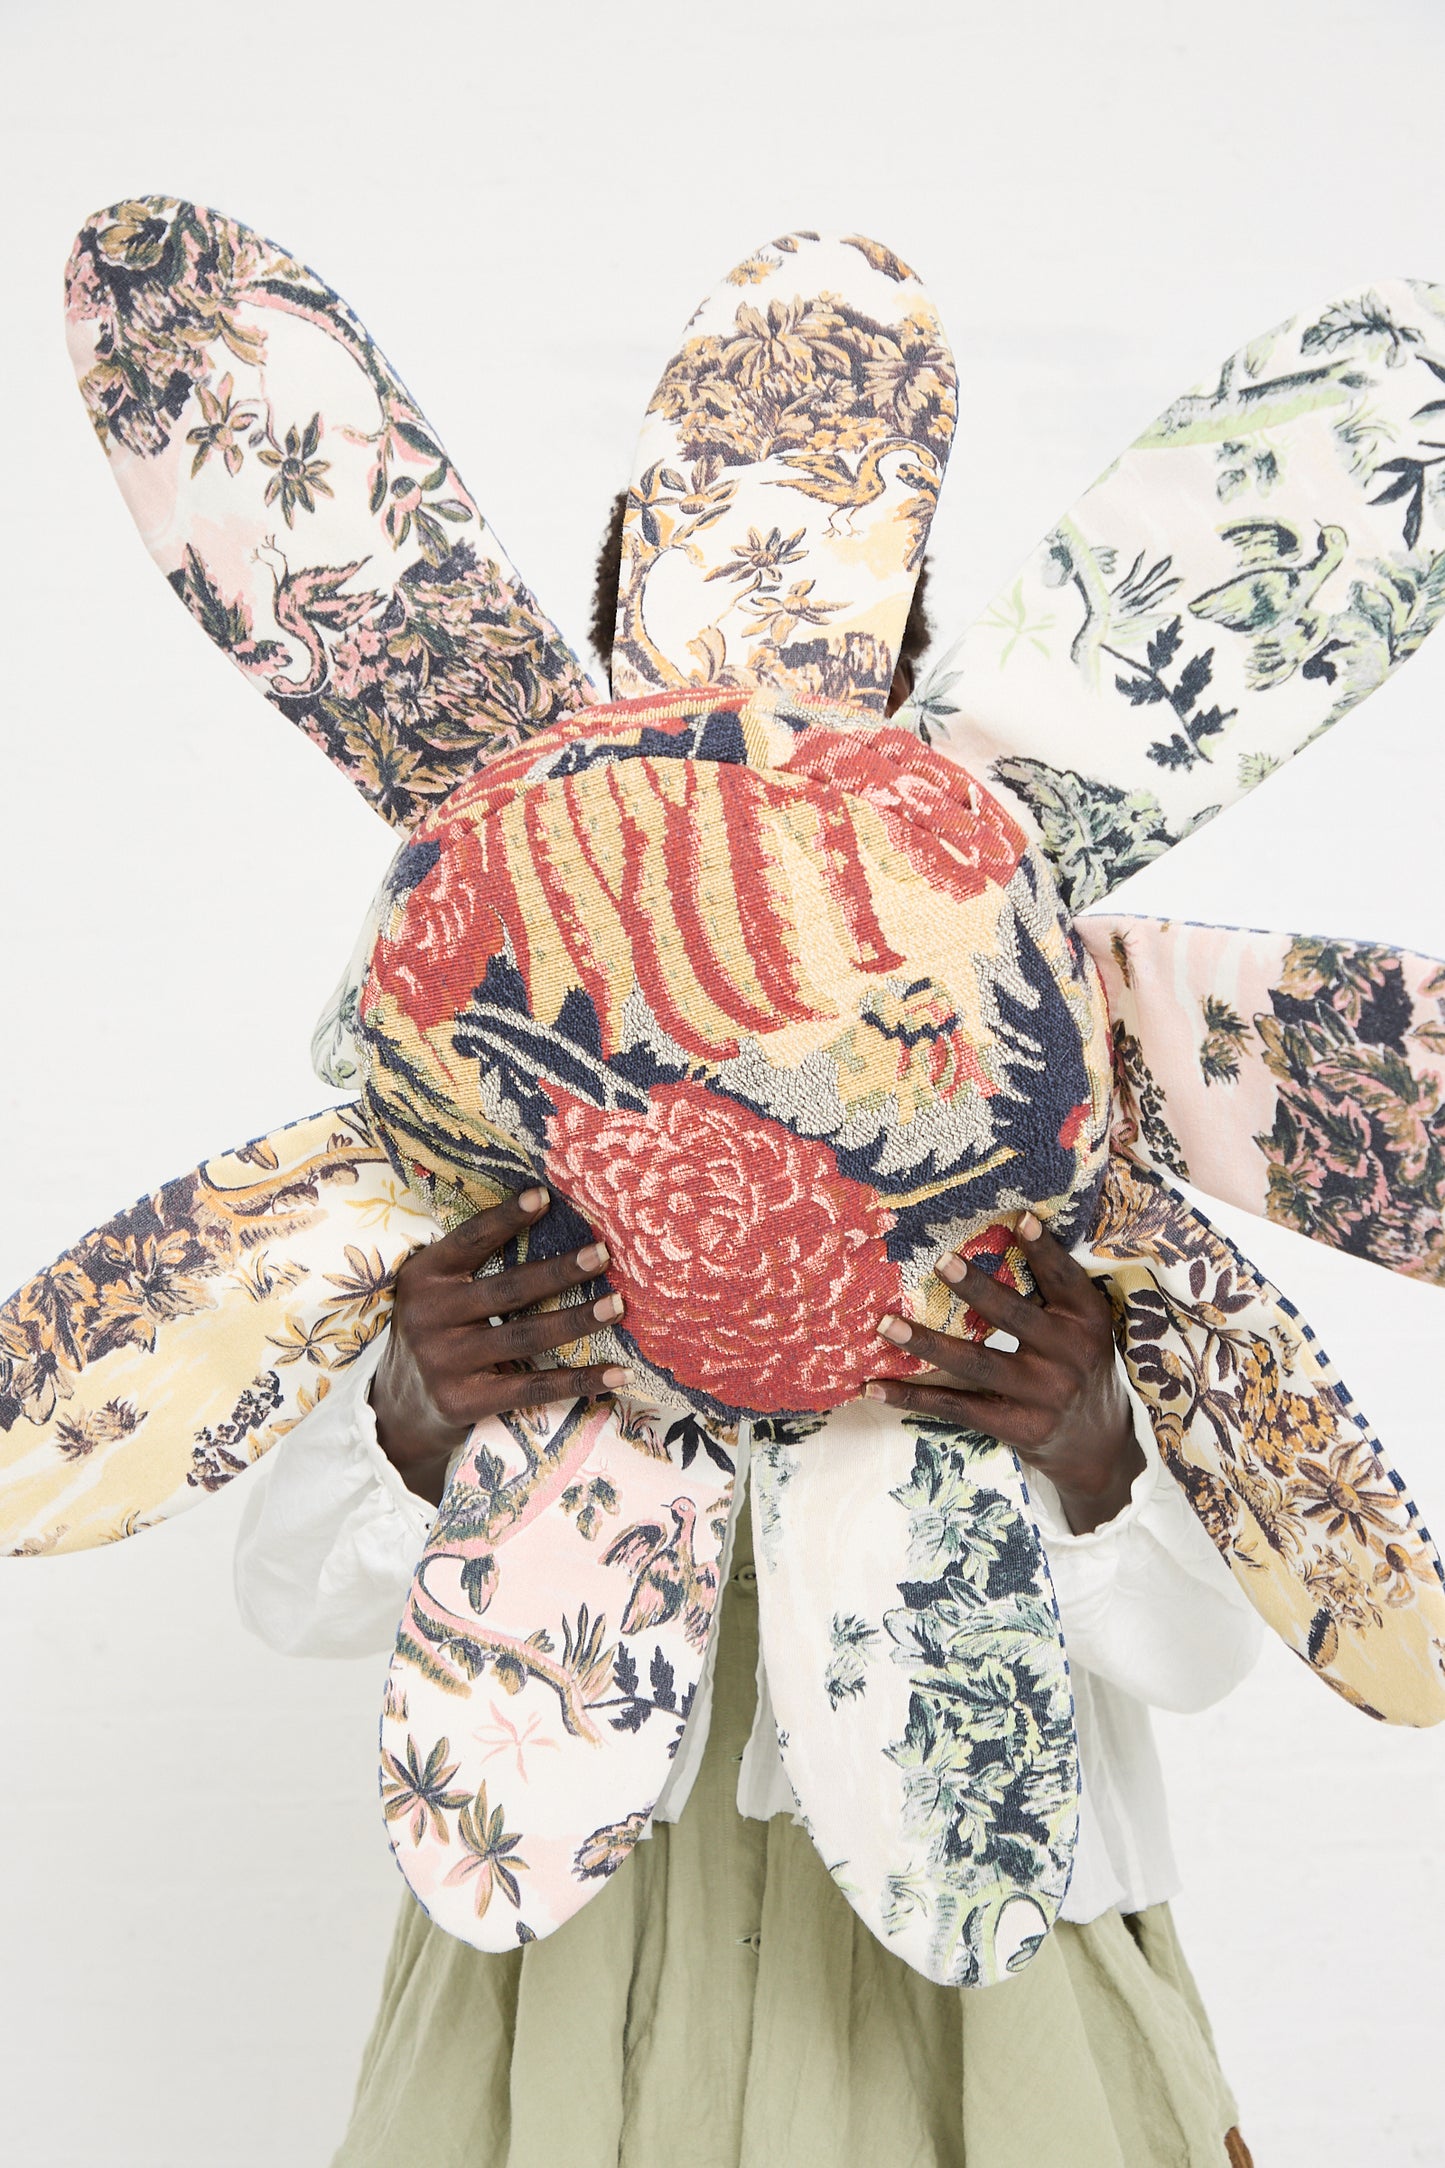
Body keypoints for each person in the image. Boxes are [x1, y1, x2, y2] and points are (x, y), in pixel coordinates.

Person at [233, 518, 1261, 2168]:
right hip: (572, 1904)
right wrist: (408, 1425)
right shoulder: (488, 1107)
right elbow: (294, 1601)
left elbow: (1200, 1661)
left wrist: (1091, 1466)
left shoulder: (1045, 1111)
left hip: (978, 1921)